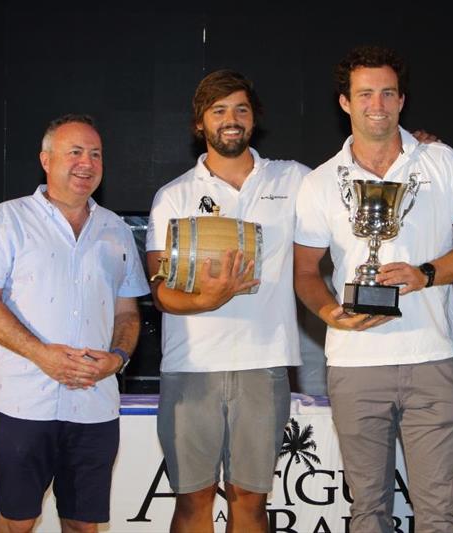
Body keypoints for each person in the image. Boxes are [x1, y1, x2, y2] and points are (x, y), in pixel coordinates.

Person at [293, 45, 453, 533]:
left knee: (437, 516)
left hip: (431, 360)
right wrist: (328, 313)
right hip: (354, 366)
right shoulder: (321, 182)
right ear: (345, 102)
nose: (377, 105)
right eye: (365, 94)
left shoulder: (440, 162)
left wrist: (426, 274)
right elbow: (304, 272)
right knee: (367, 515)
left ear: (403, 100)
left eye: (387, 93)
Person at [0, 114, 149, 532]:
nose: (87, 163)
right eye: (75, 152)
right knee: (18, 521)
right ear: (45, 160)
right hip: (24, 403)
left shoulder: (116, 229)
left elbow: (127, 313)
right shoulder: (7, 219)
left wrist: (117, 358)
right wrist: (42, 355)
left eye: (96, 154)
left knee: (84, 526)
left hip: (95, 405)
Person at [145, 69, 309, 533]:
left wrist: (407, 145)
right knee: (193, 503)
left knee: (251, 503)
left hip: (265, 363)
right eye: (218, 111)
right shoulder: (172, 196)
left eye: (240, 108)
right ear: (201, 123)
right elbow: (161, 292)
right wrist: (207, 300)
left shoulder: (294, 179)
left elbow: (351, 181)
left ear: (254, 119)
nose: (231, 119)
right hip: (191, 368)